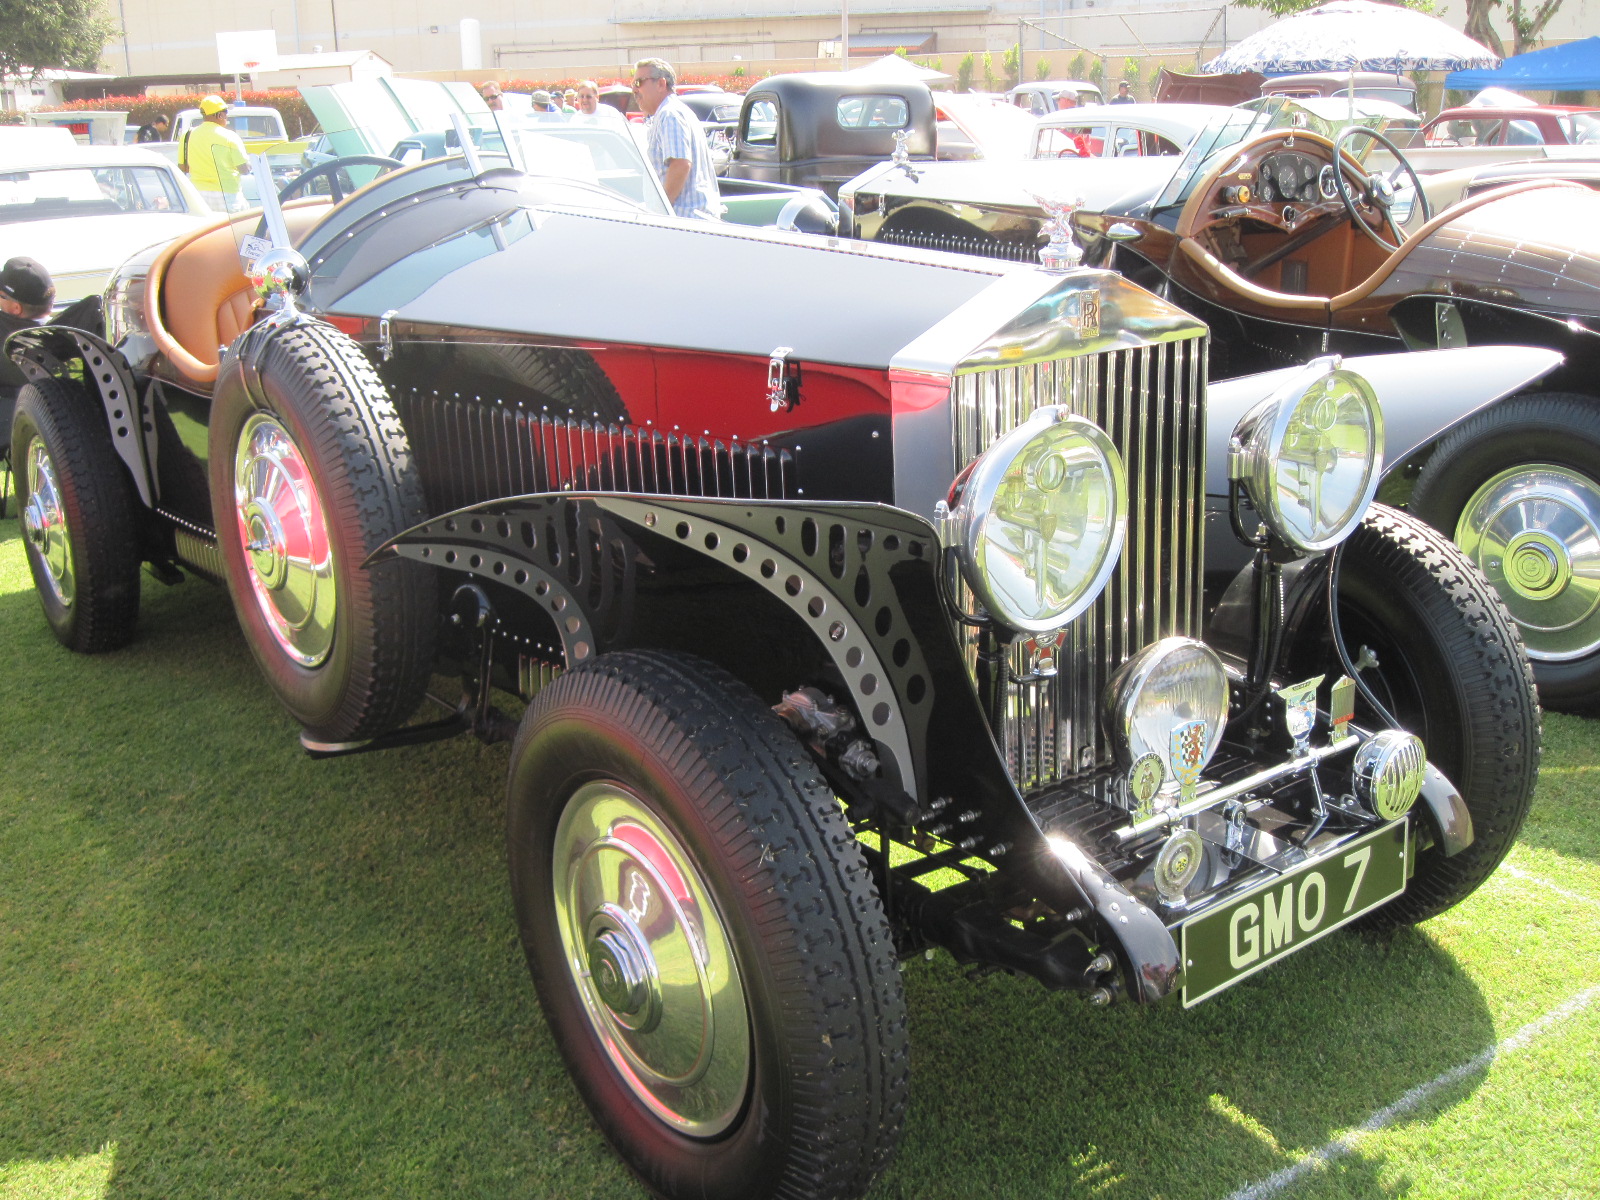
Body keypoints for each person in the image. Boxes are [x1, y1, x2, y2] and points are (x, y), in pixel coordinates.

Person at [632, 58, 720, 221]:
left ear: (661, 84)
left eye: (639, 82)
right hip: (691, 223)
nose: (634, 90)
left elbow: (680, 164)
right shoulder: (674, 112)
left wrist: (661, 212)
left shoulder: (669, 114)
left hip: (684, 223)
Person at [178, 95, 250, 212]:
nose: (227, 116)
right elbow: (244, 169)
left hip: (198, 194)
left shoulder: (187, 135)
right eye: (225, 112)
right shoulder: (230, 136)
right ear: (219, 115)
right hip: (228, 194)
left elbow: (183, 167)